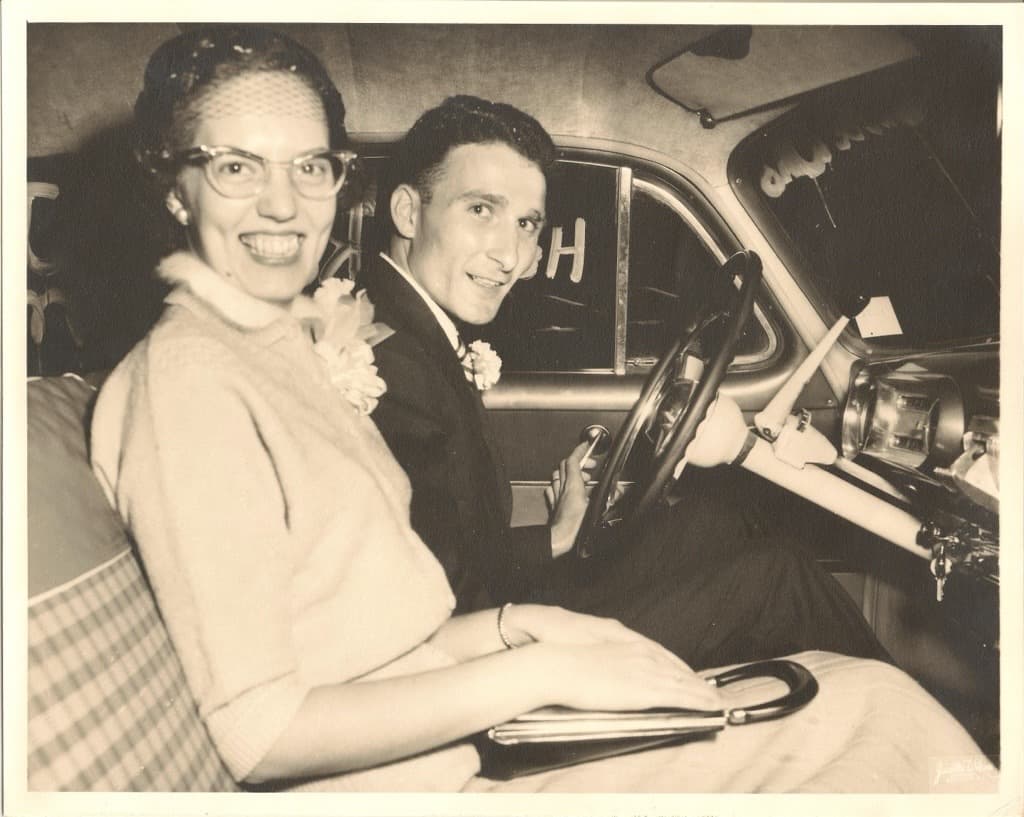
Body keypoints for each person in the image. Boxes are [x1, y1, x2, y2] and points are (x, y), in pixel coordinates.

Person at [88, 25, 990, 794]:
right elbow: (258, 732)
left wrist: (525, 623)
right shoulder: (189, 380)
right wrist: (541, 666)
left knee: (865, 703)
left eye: (310, 166)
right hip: (444, 776)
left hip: (457, 718)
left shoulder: (279, 351)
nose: (283, 204)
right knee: (875, 716)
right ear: (175, 187)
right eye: (238, 166)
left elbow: (387, 613)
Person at [361, 95, 889, 669]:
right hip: (487, 662)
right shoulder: (387, 369)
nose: (511, 255)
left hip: (496, 608)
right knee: (777, 582)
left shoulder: (411, 332)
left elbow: (447, 550)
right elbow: (438, 609)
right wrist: (554, 543)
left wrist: (558, 536)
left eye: (526, 223)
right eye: (481, 210)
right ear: (409, 213)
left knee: (715, 520)